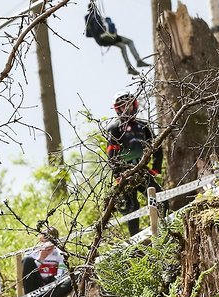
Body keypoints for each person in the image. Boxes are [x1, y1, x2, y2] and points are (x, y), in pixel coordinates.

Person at [105, 90, 163, 236]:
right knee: (132, 207)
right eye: (122, 106)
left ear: (134, 105)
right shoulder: (114, 128)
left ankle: (164, 231)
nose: (126, 109)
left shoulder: (144, 126)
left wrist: (155, 169)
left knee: (161, 198)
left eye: (129, 105)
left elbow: (157, 148)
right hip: (125, 175)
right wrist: (118, 176)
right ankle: (135, 243)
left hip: (142, 172)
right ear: (117, 109)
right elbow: (112, 156)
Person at [85, 1, 150, 76]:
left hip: (106, 38)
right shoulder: (93, 17)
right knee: (129, 42)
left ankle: (131, 66)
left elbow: (88, 34)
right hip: (106, 37)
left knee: (123, 46)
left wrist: (96, 34)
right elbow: (89, 33)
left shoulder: (93, 17)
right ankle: (137, 62)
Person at [21, 226, 73, 297]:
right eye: (44, 241)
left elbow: (63, 274)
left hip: (52, 286)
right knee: (27, 261)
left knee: (71, 279)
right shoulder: (32, 253)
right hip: (36, 286)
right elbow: (26, 274)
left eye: (50, 242)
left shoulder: (59, 253)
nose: (47, 245)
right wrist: (41, 259)